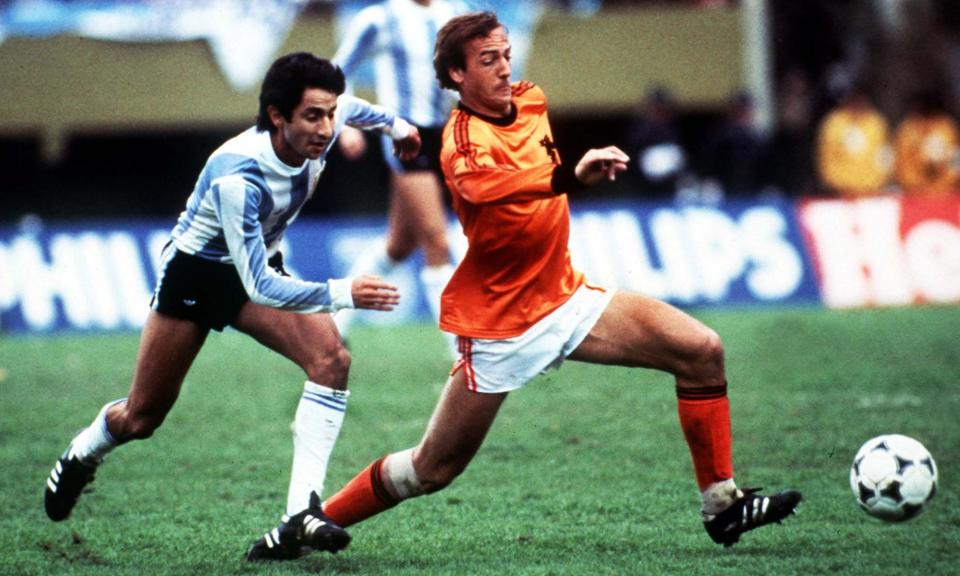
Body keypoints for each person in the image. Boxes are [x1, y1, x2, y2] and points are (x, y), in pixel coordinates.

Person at [316, 11, 802, 554]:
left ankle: (723, 505)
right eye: (487, 60)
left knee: (701, 350)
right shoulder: (457, 144)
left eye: (504, 53)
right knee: (432, 469)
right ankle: (311, 523)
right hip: (501, 325)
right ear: (456, 75)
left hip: (567, 297)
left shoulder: (531, 100)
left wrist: (566, 177)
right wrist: (572, 173)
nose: (504, 67)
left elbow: (534, 181)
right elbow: (503, 189)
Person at [42, 52, 422, 561]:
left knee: (332, 359)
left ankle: (299, 515)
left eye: (330, 114)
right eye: (313, 116)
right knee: (142, 417)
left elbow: (355, 108)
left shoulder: (325, 123)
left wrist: (398, 127)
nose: (327, 126)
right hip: (198, 276)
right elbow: (261, 286)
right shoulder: (237, 177)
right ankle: (83, 451)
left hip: (255, 263)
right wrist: (342, 292)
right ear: (276, 116)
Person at [330, 0, 466, 355]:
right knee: (437, 241)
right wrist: (346, 124)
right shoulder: (380, 18)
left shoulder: (452, 12)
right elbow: (336, 72)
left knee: (399, 244)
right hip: (405, 136)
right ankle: (461, 350)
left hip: (445, 134)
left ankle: (334, 319)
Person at [815, 82, 893, 198]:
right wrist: (835, 184)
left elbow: (884, 155)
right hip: (840, 192)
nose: (858, 102)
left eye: (861, 98)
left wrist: (879, 183)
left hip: (871, 192)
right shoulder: (834, 123)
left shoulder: (875, 123)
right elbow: (825, 156)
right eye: (854, 98)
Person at [624, 85, 689, 199]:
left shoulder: (678, 130)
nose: (659, 112)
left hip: (672, 191)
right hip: (643, 192)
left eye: (663, 108)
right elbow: (630, 165)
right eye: (656, 108)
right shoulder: (638, 134)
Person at [893, 90, 960, 198]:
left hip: (944, 193)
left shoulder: (946, 128)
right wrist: (912, 184)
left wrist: (949, 183)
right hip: (914, 192)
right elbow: (901, 161)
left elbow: (955, 159)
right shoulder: (909, 128)